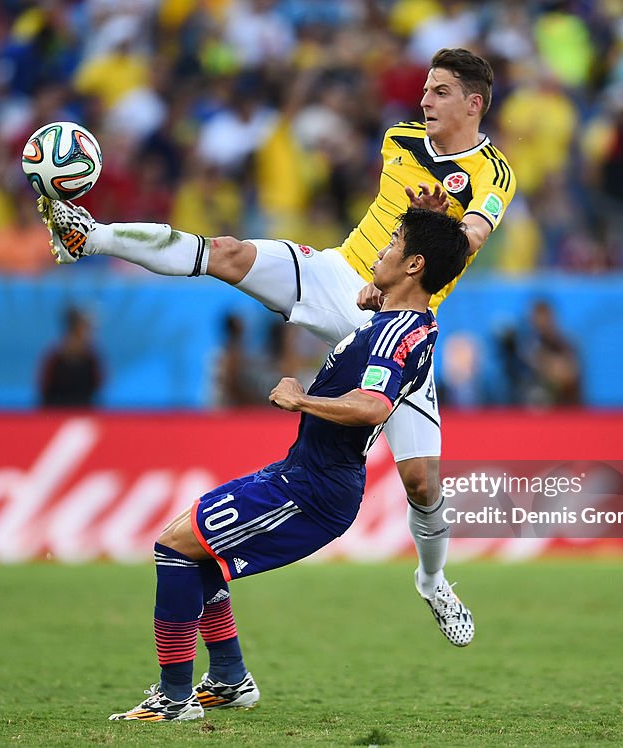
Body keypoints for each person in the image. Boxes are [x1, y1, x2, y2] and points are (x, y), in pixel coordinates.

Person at [38, 48, 516, 645]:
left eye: (440, 92)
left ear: (473, 103)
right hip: (341, 276)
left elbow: (471, 236)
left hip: (397, 324)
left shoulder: (494, 174)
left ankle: (433, 580)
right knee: (229, 252)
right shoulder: (399, 137)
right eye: (424, 89)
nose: (424, 100)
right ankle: (91, 235)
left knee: (421, 482)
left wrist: (442, 223)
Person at [108, 209, 471, 722]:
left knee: (174, 547)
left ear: (414, 264)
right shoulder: (403, 324)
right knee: (200, 556)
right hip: (304, 475)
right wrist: (379, 299)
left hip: (313, 490)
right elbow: (389, 339)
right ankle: (230, 680)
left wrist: (303, 400)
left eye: (393, 243)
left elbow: (373, 406)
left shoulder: (397, 333)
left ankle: (173, 698)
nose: (380, 250)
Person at [38, 307, 104, 407]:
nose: (91, 334)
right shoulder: (54, 358)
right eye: (86, 328)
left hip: (84, 412)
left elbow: (97, 387)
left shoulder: (92, 359)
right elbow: (44, 388)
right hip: (55, 413)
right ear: (75, 328)